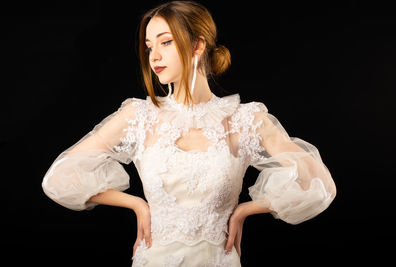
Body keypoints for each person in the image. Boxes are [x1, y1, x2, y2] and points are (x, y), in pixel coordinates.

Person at [41, 1, 337, 266]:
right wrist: (135, 204)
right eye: (149, 46)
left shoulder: (245, 120)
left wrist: (245, 210)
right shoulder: (139, 116)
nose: (154, 56)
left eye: (165, 42)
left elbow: (319, 185)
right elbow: (59, 177)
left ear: (197, 46)